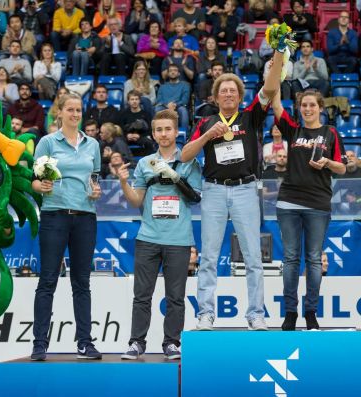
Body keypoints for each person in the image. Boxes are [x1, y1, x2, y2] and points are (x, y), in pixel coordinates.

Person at [181, 45, 285, 331]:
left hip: (245, 189)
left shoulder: (251, 116)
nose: (228, 94)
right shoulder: (205, 122)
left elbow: (271, 86)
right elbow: (185, 156)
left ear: (240, 96)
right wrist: (206, 138)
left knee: (253, 255)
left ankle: (255, 314)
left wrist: (279, 54)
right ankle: (205, 313)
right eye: (223, 91)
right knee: (209, 256)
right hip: (213, 190)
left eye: (233, 91)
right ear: (215, 98)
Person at [117, 109, 201, 360]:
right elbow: (136, 201)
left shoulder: (189, 161)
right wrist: (123, 183)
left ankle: (172, 343)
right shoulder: (144, 164)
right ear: (153, 134)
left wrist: (175, 177)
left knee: (175, 297)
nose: (164, 134)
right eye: (159, 130)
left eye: (168, 129)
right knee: (142, 295)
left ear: (176, 132)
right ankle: (136, 342)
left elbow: (195, 198)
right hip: (148, 238)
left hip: (179, 239)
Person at [30, 92, 102, 361]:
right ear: (59, 112)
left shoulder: (92, 144)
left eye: (78, 109)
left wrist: (95, 192)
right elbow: (35, 182)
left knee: (81, 282)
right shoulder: (48, 143)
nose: (75, 114)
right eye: (69, 109)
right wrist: (41, 185)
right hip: (54, 215)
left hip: (85, 216)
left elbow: (94, 179)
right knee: (47, 280)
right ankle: (39, 344)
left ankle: (85, 342)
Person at [272, 89, 346, 331]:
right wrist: (275, 71)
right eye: (304, 105)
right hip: (289, 201)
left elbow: (342, 168)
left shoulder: (331, 133)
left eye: (312, 105)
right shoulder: (293, 130)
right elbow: (274, 104)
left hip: (318, 202)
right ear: (299, 107)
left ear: (320, 107)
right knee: (291, 258)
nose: (308, 109)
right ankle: (290, 313)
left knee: (314, 259)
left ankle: (311, 312)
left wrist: (327, 162)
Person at [155, 64, 191, 130]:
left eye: (175, 70)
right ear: (168, 74)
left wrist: (174, 104)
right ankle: (156, 131)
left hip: (178, 107)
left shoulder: (185, 85)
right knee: (157, 109)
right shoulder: (162, 86)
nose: (173, 72)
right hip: (164, 107)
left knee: (183, 110)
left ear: (179, 73)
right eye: (170, 71)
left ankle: (185, 134)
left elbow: (185, 100)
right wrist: (167, 105)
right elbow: (159, 100)